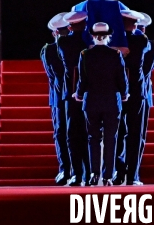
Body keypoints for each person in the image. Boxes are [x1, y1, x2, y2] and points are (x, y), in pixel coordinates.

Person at [74, 22, 129, 186]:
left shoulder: (85, 54)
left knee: (93, 139)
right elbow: (122, 79)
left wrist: (79, 94)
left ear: (93, 35)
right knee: (111, 139)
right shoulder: (115, 55)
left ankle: (93, 173)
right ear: (108, 35)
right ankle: (107, 176)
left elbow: (82, 80)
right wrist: (125, 93)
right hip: (112, 101)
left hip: (92, 101)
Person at [114, 10, 150, 185]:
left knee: (117, 133)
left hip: (117, 92)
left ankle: (119, 172)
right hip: (136, 92)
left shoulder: (113, 42)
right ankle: (132, 176)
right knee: (135, 134)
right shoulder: (141, 40)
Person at [57, 12, 90, 186]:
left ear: (69, 26)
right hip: (88, 94)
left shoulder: (63, 42)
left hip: (70, 94)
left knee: (73, 136)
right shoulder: (88, 43)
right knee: (87, 135)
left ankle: (77, 174)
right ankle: (88, 173)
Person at [40, 13, 71, 185]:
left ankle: (69, 169)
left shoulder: (50, 50)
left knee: (66, 134)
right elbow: (53, 75)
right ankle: (66, 169)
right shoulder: (50, 50)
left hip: (65, 97)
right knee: (62, 133)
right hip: (61, 97)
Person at [135, 13, 154, 167]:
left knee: (137, 135)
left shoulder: (150, 46)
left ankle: (131, 171)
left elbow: (147, 68)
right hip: (135, 92)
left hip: (141, 91)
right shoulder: (148, 45)